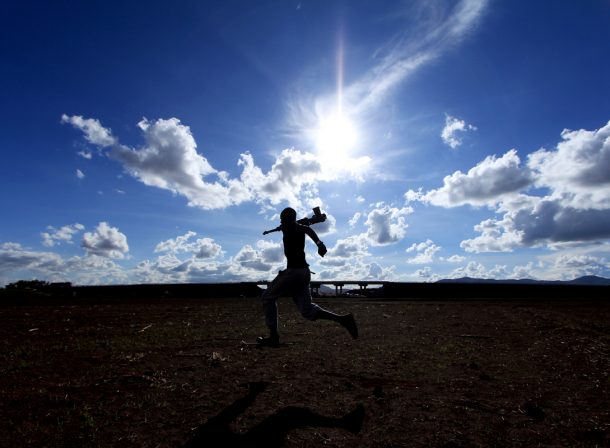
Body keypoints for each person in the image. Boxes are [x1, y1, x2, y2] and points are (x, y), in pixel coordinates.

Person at [257, 207, 358, 347]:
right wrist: (313, 221)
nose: (281, 221)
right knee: (307, 310)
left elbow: (307, 229)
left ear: (289, 219)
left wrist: (319, 243)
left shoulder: (295, 227)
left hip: (294, 272)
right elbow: (306, 224)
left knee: (267, 297)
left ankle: (273, 337)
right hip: (304, 273)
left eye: (283, 218)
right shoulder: (292, 226)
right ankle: (343, 320)